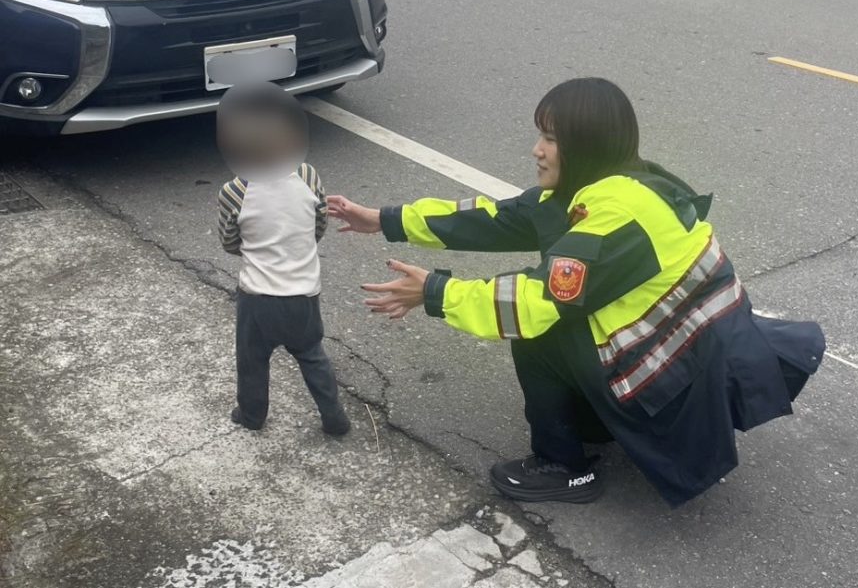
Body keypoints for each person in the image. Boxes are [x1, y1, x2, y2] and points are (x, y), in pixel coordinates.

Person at [329, 78, 824, 506]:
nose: (536, 150)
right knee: (554, 308)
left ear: (585, 144)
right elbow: (498, 217)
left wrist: (436, 293)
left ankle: (566, 468)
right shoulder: (619, 183)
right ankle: (595, 422)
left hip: (681, 385)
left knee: (539, 330)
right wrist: (383, 220)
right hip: (692, 357)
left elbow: (537, 303)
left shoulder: (614, 216)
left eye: (550, 138)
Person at [217, 82, 350, 437]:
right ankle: (334, 418)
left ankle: (252, 415)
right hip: (304, 294)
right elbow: (318, 223)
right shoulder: (308, 176)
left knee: (252, 361)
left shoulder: (234, 191)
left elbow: (229, 241)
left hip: (257, 297)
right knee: (312, 357)